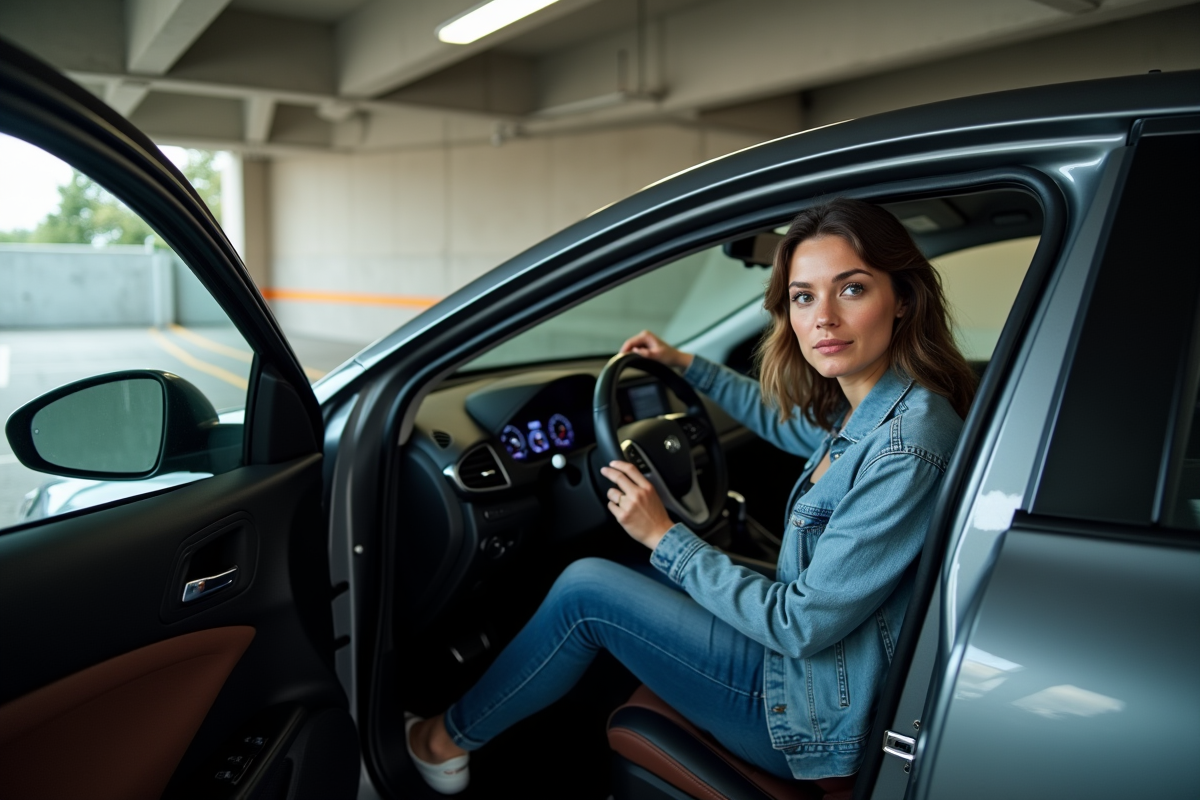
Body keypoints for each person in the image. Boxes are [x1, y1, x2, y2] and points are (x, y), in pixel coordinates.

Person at [405, 198, 976, 794]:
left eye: (851, 289)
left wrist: (664, 535)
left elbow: (801, 624)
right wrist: (688, 366)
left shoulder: (904, 449)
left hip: (811, 718)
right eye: (804, 296)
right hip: (823, 676)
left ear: (903, 298)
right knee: (626, 568)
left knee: (586, 591)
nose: (823, 318)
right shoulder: (890, 408)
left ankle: (440, 744)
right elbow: (789, 426)